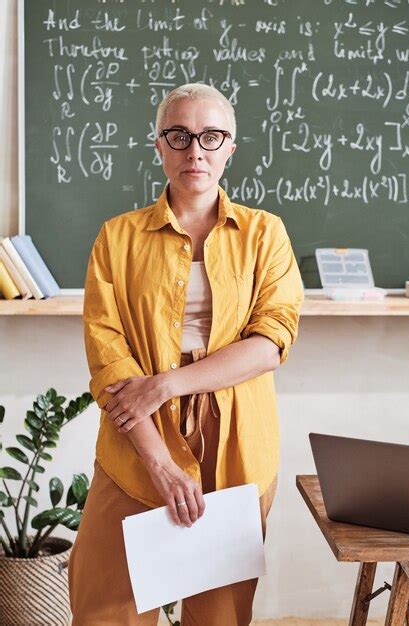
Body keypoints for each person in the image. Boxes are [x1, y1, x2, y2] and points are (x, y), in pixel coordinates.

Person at [68, 83, 304, 625]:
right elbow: (109, 357)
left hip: (237, 440)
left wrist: (168, 383)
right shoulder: (116, 238)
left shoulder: (266, 234)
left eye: (211, 136)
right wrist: (159, 460)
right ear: (158, 144)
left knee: (218, 614)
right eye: (179, 135)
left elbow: (270, 343)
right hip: (138, 437)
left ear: (230, 149)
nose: (195, 150)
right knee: (107, 609)